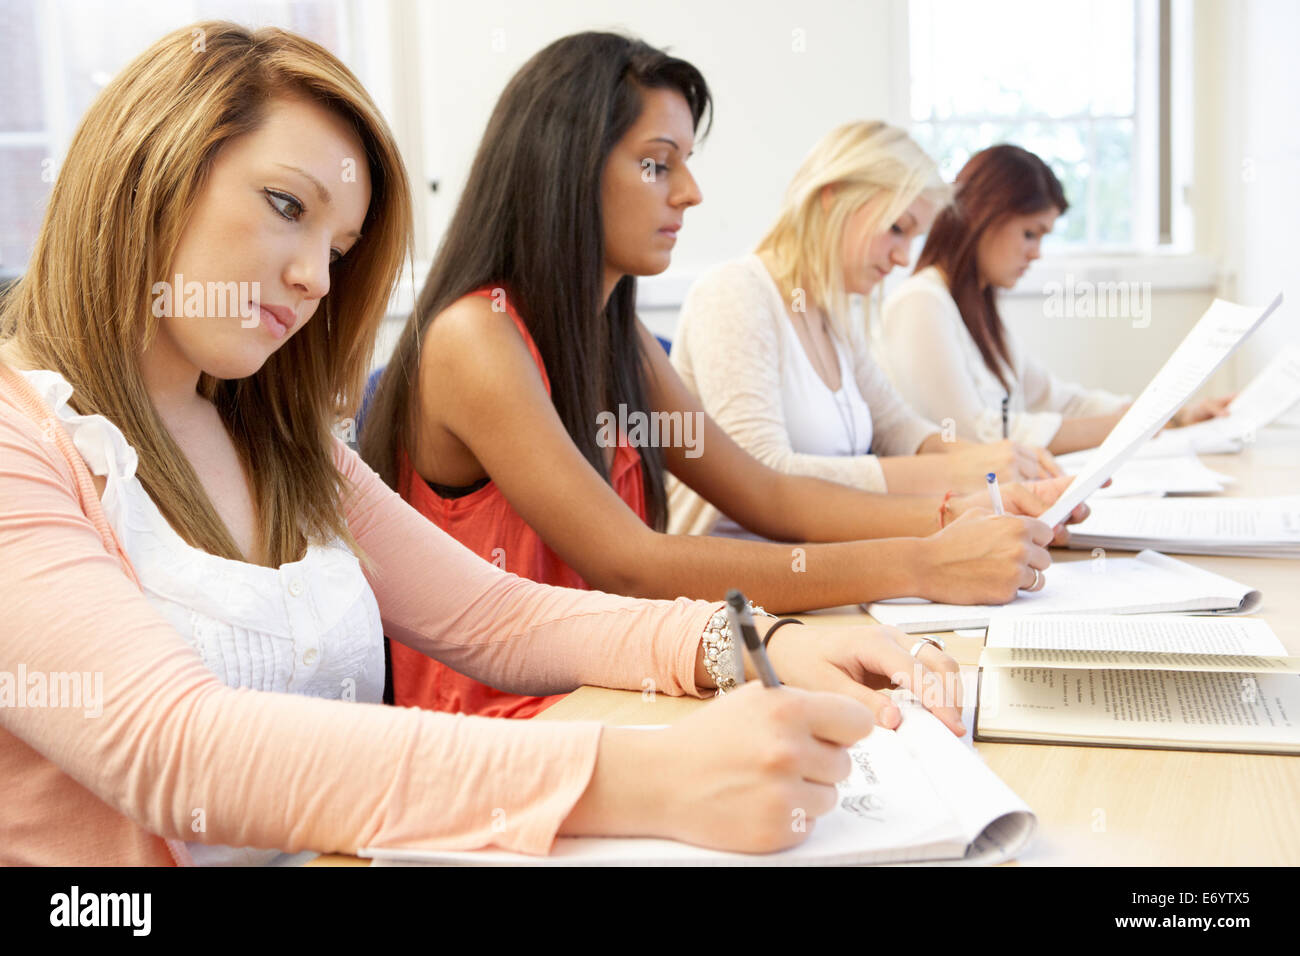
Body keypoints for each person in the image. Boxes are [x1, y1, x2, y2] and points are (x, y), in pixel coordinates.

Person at [0, 21, 972, 866]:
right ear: (147, 163)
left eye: (338, 253)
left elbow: (500, 617)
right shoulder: (23, 435)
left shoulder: (275, 438)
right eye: (287, 206)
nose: (310, 279)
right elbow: (176, 749)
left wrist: (756, 641)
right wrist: (639, 772)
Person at [361, 33, 1088, 721]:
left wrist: (953, 518)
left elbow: (767, 493)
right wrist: (922, 564)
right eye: (659, 163)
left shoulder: (616, 332)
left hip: (617, 686)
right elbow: (634, 566)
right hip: (509, 726)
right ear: (566, 166)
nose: (690, 192)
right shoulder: (476, 337)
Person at [668, 121, 1061, 539]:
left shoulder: (833, 314)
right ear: (829, 197)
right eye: (897, 228)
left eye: (914, 237)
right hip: (741, 579)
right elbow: (764, 473)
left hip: (823, 559)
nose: (902, 257)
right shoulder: (734, 292)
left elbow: (898, 429)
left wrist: (999, 463)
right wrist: (952, 471)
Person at [876, 144, 1231, 454]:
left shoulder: (977, 309)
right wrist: (1133, 426)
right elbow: (970, 435)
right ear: (982, 216)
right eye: (1030, 234)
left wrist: (1172, 415)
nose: (1036, 254)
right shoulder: (920, 303)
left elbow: (1061, 401)